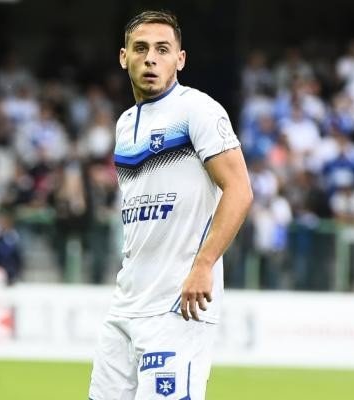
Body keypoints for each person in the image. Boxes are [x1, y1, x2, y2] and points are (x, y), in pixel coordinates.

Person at [89, 10, 252, 400]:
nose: (151, 58)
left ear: (180, 59)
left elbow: (240, 189)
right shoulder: (124, 125)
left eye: (162, 50)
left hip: (179, 304)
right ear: (123, 57)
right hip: (126, 303)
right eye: (140, 48)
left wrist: (204, 265)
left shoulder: (198, 110)